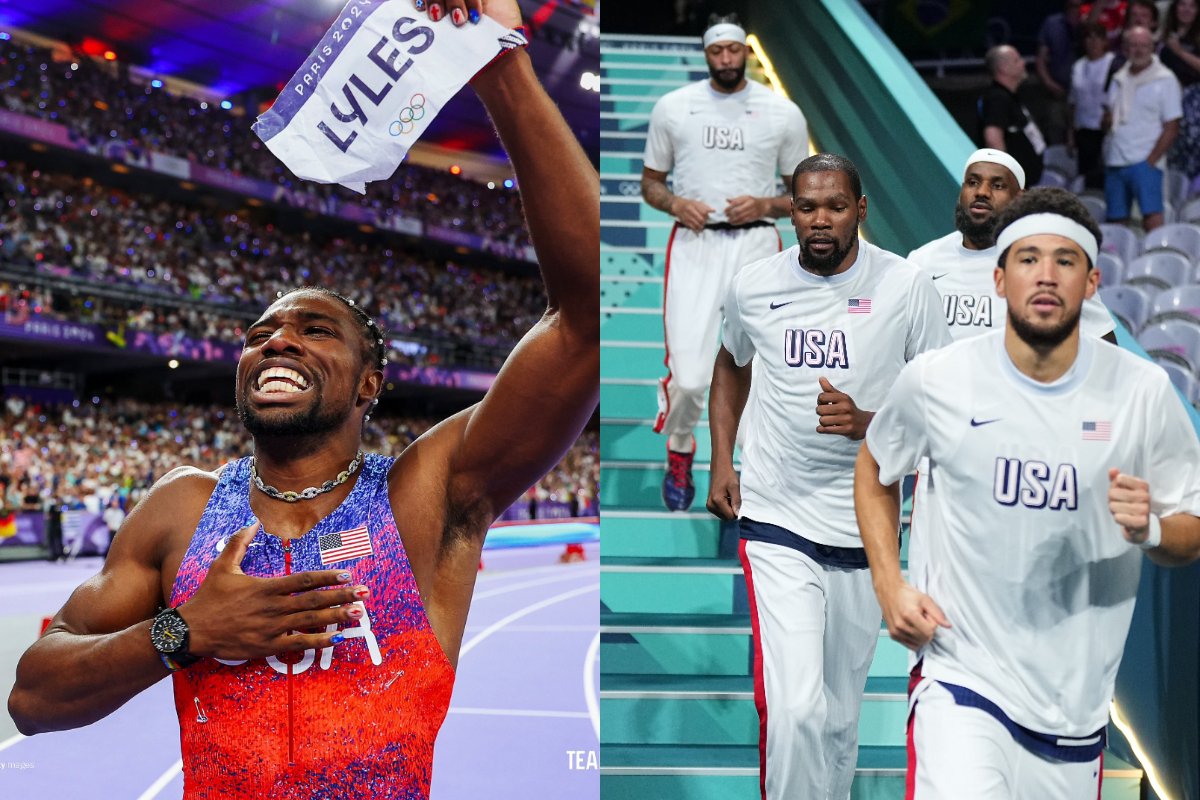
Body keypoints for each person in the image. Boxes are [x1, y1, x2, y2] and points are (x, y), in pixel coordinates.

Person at [6, 1, 599, 797]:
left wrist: (504, 67)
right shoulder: (182, 509)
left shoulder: (428, 494)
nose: (277, 342)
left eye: (315, 330)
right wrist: (185, 631)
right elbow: (32, 697)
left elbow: (587, 319)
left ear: (369, 384)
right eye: (260, 334)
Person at [856, 187, 1200, 799]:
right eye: (1028, 258)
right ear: (999, 278)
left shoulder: (1142, 393)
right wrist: (889, 584)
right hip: (960, 678)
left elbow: (1191, 528)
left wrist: (1150, 528)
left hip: (1074, 711)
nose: (1046, 275)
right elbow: (876, 466)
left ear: (1092, 283)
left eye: (1065, 260)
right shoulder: (938, 379)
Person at [706, 153, 951, 800]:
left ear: (860, 210)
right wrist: (721, 457)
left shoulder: (906, 287)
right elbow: (731, 362)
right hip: (777, 518)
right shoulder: (754, 285)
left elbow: (950, 401)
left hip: (867, 526)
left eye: (835, 207)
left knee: (840, 723)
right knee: (796, 712)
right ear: (790, 211)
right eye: (807, 206)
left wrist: (871, 422)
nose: (820, 219)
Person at [641, 12, 809, 511]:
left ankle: (747, 470)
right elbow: (651, 183)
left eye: (734, 49)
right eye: (717, 51)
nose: (727, 58)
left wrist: (764, 204)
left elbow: (803, 195)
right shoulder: (674, 107)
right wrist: (675, 203)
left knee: (754, 365)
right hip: (695, 244)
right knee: (691, 376)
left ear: (744, 50)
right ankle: (680, 446)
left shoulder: (782, 113)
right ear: (706, 53)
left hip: (757, 246)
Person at [908, 148, 1116, 342]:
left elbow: (1105, 346)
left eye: (997, 186)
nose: (982, 192)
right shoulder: (922, 261)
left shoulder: (1050, 268)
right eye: (972, 182)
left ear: (1019, 198)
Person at [1103, 26, 1182, 232]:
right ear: (1125, 48)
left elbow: (1172, 126)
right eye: (1133, 45)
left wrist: (1150, 161)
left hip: (1145, 160)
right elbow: (1109, 119)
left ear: (1152, 48)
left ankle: (1156, 253)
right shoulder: (1118, 78)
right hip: (1115, 159)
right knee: (1115, 222)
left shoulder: (1165, 79)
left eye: (1144, 45)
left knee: (1152, 220)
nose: (1138, 50)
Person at [980, 45, 1046, 188]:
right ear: (1003, 68)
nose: (1023, 63)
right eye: (1017, 60)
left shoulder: (1010, 96)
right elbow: (993, 138)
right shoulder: (997, 98)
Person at [1069, 21, 1118, 188]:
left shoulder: (1113, 63)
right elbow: (1073, 101)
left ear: (1105, 41)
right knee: (1085, 174)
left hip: (1104, 129)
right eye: (1089, 38)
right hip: (1083, 128)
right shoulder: (1078, 66)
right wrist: (1070, 133)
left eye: (1098, 38)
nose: (1093, 42)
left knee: (1103, 174)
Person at [1036, 0, 1085, 145]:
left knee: (1082, 137)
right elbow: (1041, 58)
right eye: (1072, 5)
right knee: (1055, 133)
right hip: (1058, 91)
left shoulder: (1089, 21)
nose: (1075, 8)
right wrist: (1048, 83)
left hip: (1084, 95)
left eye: (1078, 5)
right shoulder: (1052, 23)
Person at [1161, 0, 1200, 180]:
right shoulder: (1164, 36)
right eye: (1182, 5)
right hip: (1167, 98)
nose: (1186, 10)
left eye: (1192, 6)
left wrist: (1180, 52)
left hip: (1194, 102)